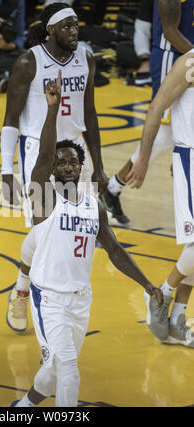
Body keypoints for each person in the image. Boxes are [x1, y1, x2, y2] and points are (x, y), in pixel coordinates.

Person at [10, 72, 163, 407]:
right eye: (60, 162)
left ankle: (20, 410)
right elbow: (42, 158)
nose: (67, 166)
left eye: (73, 162)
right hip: (49, 299)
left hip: (81, 300)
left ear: (81, 167)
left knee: (52, 371)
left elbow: (115, 250)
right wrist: (52, 109)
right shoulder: (45, 198)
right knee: (70, 372)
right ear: (51, 169)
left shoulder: (94, 205)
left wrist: (147, 284)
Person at [3, 3, 108, 332]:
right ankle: (24, 289)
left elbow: (89, 114)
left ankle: (51, 294)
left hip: (74, 153)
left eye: (76, 25)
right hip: (39, 150)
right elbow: (10, 120)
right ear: (50, 30)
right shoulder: (27, 62)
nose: (74, 31)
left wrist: (100, 165)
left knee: (71, 225)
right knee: (41, 230)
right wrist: (6, 171)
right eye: (67, 26)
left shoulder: (85, 58)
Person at [101, 0, 194, 226]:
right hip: (170, 57)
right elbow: (170, 32)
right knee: (163, 134)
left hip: (188, 56)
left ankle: (111, 190)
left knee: (175, 132)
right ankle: (110, 191)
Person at [127, 47, 194, 347]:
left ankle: (178, 319)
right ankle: (161, 294)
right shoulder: (188, 63)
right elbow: (156, 107)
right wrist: (142, 158)